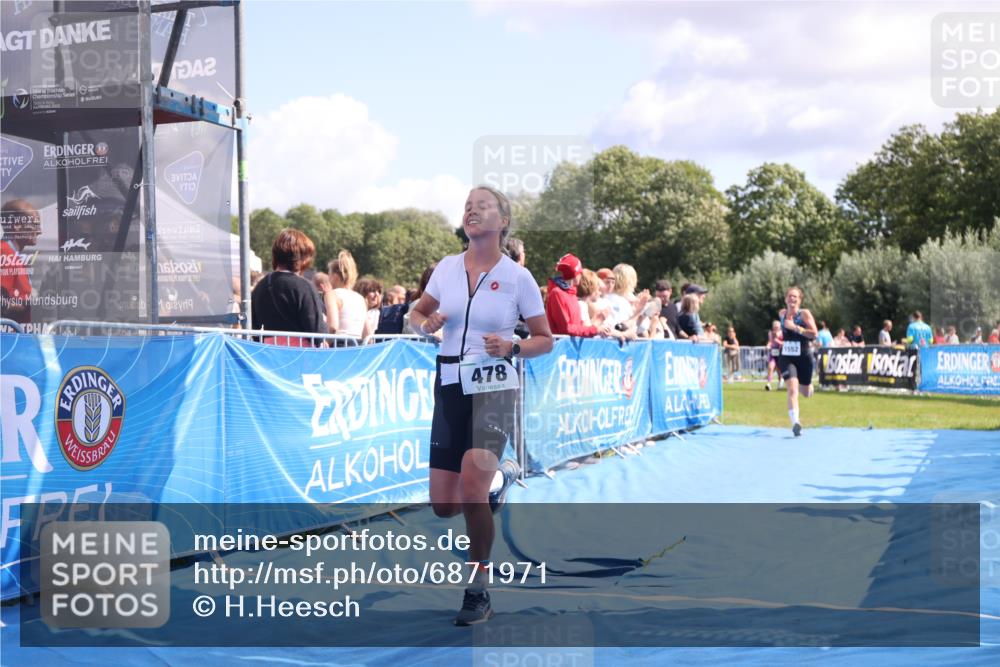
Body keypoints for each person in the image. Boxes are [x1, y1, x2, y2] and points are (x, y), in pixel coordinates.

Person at [409, 185, 553, 626]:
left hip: (495, 388)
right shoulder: (446, 269)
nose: (471, 211)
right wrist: (425, 323)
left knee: (471, 486)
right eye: (467, 206)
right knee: (444, 504)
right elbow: (416, 314)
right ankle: (499, 481)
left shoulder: (518, 278)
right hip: (450, 384)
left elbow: (545, 340)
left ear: (502, 221)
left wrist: (513, 346)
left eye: (482, 206)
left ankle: (478, 591)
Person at [250, 228, 328, 346]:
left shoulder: (260, 286)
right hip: (300, 353)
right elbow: (317, 332)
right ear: (302, 258)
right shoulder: (304, 287)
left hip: (270, 352)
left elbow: (254, 328)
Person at [777, 286, 818, 437]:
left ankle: (808, 385)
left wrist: (795, 327)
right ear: (785, 299)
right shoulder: (782, 314)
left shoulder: (804, 314)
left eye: (795, 296)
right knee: (792, 389)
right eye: (789, 296)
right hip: (786, 356)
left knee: (805, 392)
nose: (792, 298)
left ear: (800, 300)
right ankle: (796, 423)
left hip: (804, 356)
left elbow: (814, 334)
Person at [545, 254, 610, 337]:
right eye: (580, 272)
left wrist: (595, 324)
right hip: (561, 344)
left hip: (572, 344)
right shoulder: (557, 293)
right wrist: (594, 329)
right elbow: (566, 328)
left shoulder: (571, 293)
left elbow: (577, 326)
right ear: (575, 274)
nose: (581, 275)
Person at [0, 199, 42, 325]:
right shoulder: (5, 253)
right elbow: (3, 305)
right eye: (35, 225)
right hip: (11, 334)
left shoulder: (11, 254)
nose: (39, 231)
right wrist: (39, 303)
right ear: (17, 226)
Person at [327, 250, 368, 340]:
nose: (328, 278)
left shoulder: (332, 295)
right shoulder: (361, 298)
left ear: (335, 276)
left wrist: (325, 343)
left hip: (339, 344)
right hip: (358, 345)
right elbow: (368, 334)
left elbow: (333, 327)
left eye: (329, 274)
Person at [765, 320, 783, 391]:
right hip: (773, 353)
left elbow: (784, 343)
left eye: (777, 327)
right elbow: (770, 341)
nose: (776, 328)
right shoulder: (771, 333)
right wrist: (768, 345)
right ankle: (769, 384)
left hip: (781, 353)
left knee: (779, 370)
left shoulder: (783, 333)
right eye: (775, 327)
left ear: (780, 327)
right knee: (770, 367)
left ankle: (780, 382)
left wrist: (778, 341)